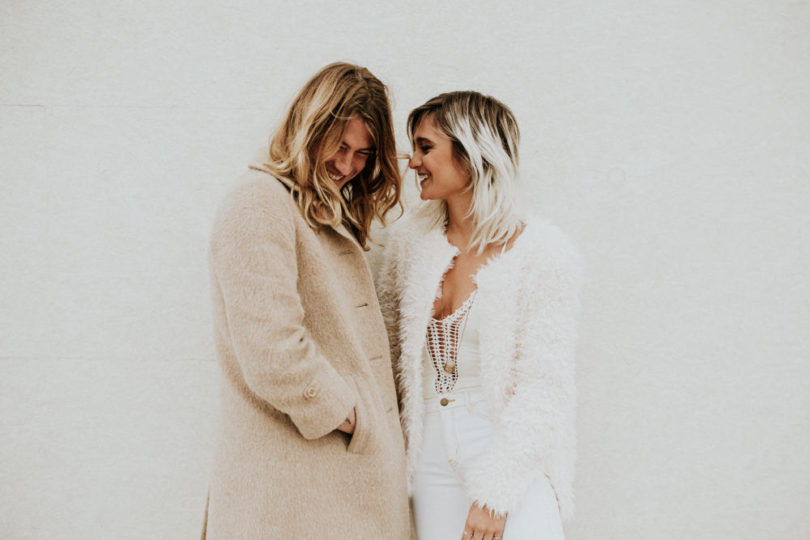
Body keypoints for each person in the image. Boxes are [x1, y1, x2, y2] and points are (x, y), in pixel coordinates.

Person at [202, 62, 410, 538]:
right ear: (307, 125)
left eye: (363, 153)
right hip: (293, 492)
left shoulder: (316, 210)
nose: (347, 164)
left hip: (332, 488)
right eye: (339, 145)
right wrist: (355, 417)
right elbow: (273, 348)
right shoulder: (259, 201)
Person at [377, 91, 583, 539]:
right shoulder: (408, 245)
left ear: (471, 156)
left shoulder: (543, 255)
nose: (413, 162)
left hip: (508, 460)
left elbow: (546, 389)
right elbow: (386, 359)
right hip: (428, 465)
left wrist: (496, 492)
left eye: (426, 147)